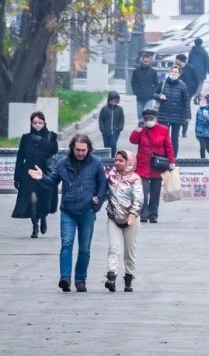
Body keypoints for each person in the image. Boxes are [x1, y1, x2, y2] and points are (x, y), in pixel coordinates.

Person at [28, 134, 107, 293]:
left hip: (87, 211)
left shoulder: (96, 164)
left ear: (89, 149)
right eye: (78, 149)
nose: (81, 153)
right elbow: (52, 182)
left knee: (84, 248)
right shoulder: (63, 163)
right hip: (68, 211)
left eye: (84, 150)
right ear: (72, 148)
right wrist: (41, 177)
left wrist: (95, 206)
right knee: (67, 244)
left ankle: (80, 280)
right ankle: (65, 277)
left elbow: (103, 186)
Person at [11, 111, 60, 238]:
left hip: (45, 173)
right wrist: (17, 177)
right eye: (35, 123)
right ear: (31, 124)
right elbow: (20, 157)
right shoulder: (26, 138)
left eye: (40, 123)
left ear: (44, 123)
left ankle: (43, 217)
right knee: (32, 200)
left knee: (44, 200)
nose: (37, 125)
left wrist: (41, 139)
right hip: (29, 173)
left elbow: (54, 149)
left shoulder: (51, 136)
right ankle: (35, 226)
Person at [104, 150, 143, 293]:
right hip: (114, 218)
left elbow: (139, 198)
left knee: (130, 251)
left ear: (129, 162)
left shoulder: (135, 179)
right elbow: (102, 190)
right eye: (116, 160)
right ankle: (111, 276)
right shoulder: (110, 176)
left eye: (121, 160)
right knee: (114, 249)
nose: (117, 163)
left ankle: (128, 278)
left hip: (131, 220)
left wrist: (133, 215)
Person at [129, 108, 176, 224]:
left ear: (156, 119)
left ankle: (153, 215)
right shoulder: (142, 129)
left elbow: (169, 146)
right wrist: (138, 128)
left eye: (151, 118)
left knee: (155, 193)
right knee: (143, 193)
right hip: (142, 165)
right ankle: (143, 215)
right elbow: (133, 140)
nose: (149, 121)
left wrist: (171, 162)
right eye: (147, 119)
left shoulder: (163, 130)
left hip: (157, 165)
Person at [157, 65, 191, 155]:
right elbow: (154, 93)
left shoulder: (182, 86)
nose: (173, 73)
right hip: (163, 115)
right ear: (169, 72)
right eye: (172, 71)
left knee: (174, 138)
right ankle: (164, 156)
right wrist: (159, 96)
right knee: (164, 137)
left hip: (177, 115)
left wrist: (188, 116)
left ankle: (174, 157)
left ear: (179, 74)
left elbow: (186, 101)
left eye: (176, 72)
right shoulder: (163, 83)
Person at [175, 54, 199, 138]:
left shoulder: (191, 69)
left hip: (187, 94)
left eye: (176, 59)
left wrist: (192, 92)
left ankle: (184, 131)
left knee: (185, 112)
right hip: (176, 93)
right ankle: (176, 129)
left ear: (180, 60)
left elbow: (196, 81)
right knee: (176, 112)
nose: (175, 61)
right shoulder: (175, 68)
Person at [130, 53, 159, 121]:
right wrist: (136, 91)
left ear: (149, 62)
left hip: (149, 97)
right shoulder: (136, 71)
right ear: (141, 61)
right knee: (140, 114)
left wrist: (152, 92)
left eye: (147, 61)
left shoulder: (153, 72)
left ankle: (146, 129)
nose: (145, 63)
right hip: (139, 97)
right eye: (144, 61)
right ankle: (141, 129)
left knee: (146, 114)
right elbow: (133, 83)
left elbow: (156, 83)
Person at [98, 91, 125, 157]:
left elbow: (122, 119)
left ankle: (113, 157)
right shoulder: (104, 109)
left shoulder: (120, 109)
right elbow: (101, 119)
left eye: (115, 101)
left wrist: (120, 127)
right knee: (107, 146)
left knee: (113, 144)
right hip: (106, 132)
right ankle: (107, 159)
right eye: (112, 101)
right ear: (109, 100)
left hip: (116, 131)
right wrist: (102, 128)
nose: (113, 102)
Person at [195, 95, 209, 159]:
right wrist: (196, 133)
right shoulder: (199, 110)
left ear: (207, 101)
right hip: (200, 132)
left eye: (203, 100)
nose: (201, 101)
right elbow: (197, 122)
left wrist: (208, 118)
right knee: (202, 147)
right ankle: (202, 161)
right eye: (200, 100)